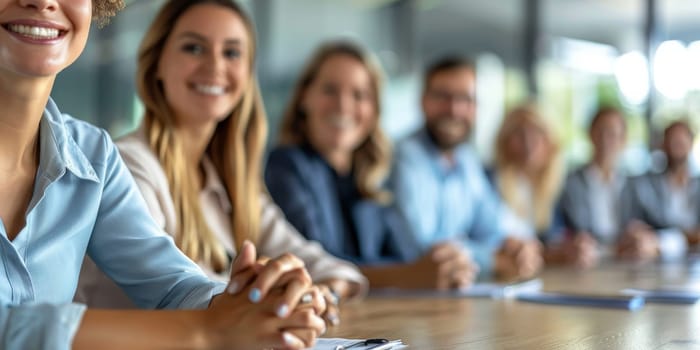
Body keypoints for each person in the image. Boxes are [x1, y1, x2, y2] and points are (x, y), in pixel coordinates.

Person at [0, 0, 324, 349]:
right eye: (195, 48)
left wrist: (248, 302)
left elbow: (172, 285)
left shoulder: (93, 155)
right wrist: (206, 330)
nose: (43, 0)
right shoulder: (131, 159)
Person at [76, 0, 365, 328]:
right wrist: (275, 293)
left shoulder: (229, 183)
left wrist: (318, 293)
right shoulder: (129, 165)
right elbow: (164, 292)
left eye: (231, 53)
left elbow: (326, 266)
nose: (214, 67)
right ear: (156, 63)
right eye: (194, 48)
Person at [265, 42, 477, 290]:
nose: (344, 105)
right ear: (304, 97)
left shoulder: (371, 174)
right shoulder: (286, 167)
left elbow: (404, 256)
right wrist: (409, 276)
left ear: (374, 110)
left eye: (359, 95)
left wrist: (443, 266)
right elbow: (314, 265)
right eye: (330, 90)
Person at [390, 57, 543, 280]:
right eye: (443, 97)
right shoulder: (405, 157)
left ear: (475, 107)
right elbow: (422, 249)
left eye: (465, 99)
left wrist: (516, 247)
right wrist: (492, 258)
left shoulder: (466, 160)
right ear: (423, 101)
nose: (454, 109)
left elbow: (493, 223)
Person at [619, 120, 700, 259]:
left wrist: (663, 240)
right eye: (672, 141)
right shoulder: (645, 185)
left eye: (681, 142)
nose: (676, 147)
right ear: (663, 145)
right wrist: (688, 237)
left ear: (690, 143)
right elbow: (637, 227)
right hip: (654, 261)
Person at [558, 107, 627, 266]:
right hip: (582, 263)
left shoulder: (634, 185)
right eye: (600, 131)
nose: (605, 140)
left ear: (623, 139)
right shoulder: (568, 183)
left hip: (627, 264)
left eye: (612, 133)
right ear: (590, 134)